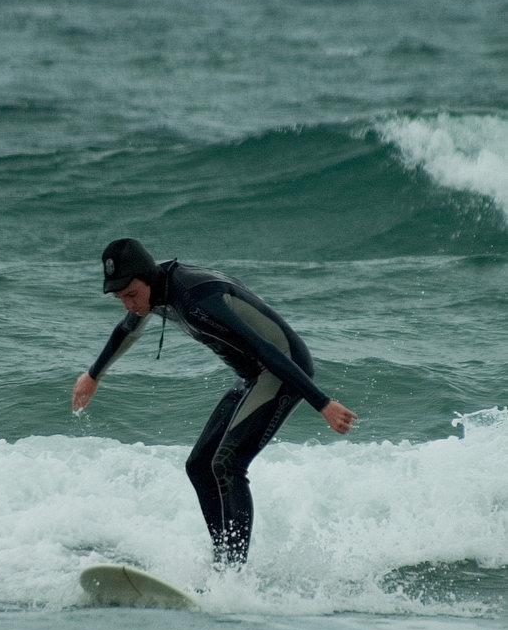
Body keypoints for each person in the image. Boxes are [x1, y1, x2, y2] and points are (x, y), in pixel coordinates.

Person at [72, 238, 356, 567]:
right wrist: (93, 375)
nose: (128, 304)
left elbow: (263, 348)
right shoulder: (154, 291)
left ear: (147, 278)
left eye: (131, 295)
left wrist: (321, 403)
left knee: (227, 464)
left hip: (282, 367)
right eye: (120, 298)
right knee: (199, 466)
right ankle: (222, 561)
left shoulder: (196, 299)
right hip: (254, 374)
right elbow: (126, 330)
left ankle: (233, 573)